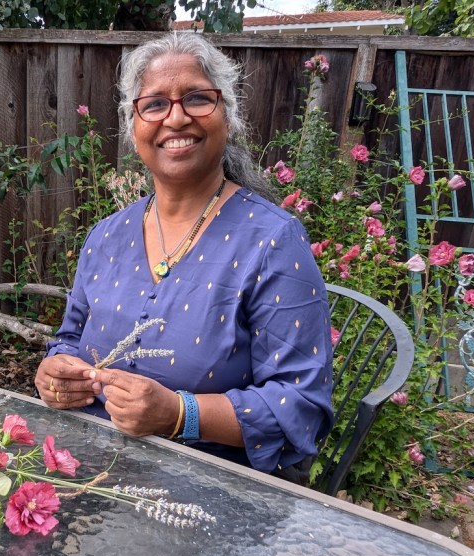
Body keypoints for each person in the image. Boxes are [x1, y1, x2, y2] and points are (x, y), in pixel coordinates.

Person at [34, 32, 334, 481]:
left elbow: (302, 407)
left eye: (196, 98)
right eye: (154, 104)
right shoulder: (106, 237)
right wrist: (53, 372)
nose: (175, 118)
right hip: (88, 467)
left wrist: (179, 414)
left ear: (226, 118)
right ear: (133, 127)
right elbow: (70, 339)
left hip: (208, 487)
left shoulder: (271, 243)